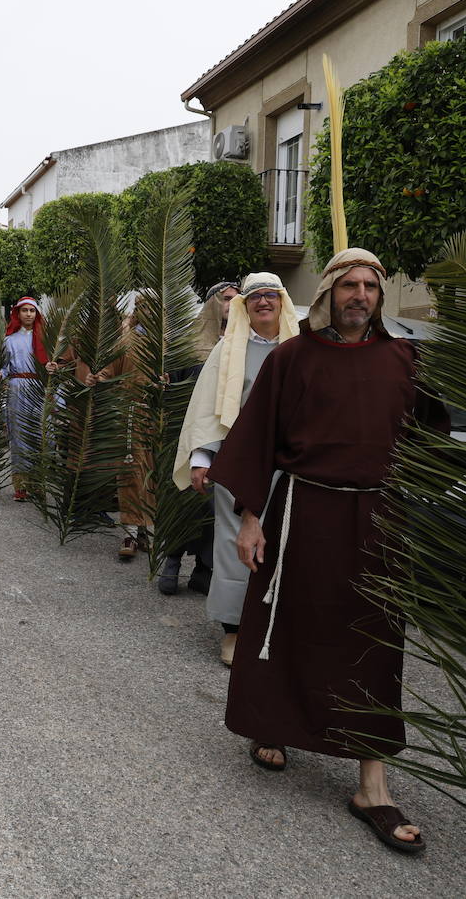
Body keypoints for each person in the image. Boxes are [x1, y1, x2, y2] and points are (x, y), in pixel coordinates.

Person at [207, 248, 466, 855]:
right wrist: (251, 520)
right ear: (328, 293)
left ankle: (372, 786)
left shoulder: (405, 359)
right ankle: (273, 727)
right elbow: (259, 439)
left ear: (380, 296)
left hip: (380, 516)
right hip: (303, 510)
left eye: (370, 287)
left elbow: (427, 438)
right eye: (349, 285)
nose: (360, 296)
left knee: (374, 642)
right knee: (291, 625)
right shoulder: (294, 358)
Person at [171, 273, 298, 666]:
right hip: (238, 460)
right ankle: (234, 631)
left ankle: (280, 628)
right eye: (255, 296)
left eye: (270, 296)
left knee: (288, 544)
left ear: (282, 302)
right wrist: (201, 459)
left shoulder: (302, 350)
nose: (263, 302)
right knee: (233, 548)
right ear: (244, 305)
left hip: (291, 462)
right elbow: (207, 406)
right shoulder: (227, 351)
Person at [0, 297, 47, 501]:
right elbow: (3, 366)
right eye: (24, 310)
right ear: (18, 313)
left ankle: (38, 483)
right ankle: (21, 486)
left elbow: (53, 363)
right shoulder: (9, 339)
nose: (28, 314)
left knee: (40, 435)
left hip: (39, 389)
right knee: (19, 435)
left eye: (32, 311)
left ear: (37, 314)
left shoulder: (45, 338)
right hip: (17, 388)